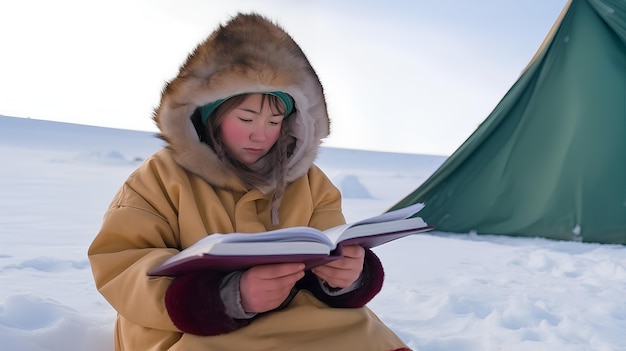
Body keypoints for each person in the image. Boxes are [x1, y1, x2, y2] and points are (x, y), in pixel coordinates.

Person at [88, 13, 411, 351]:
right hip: (194, 328)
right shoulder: (160, 176)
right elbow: (121, 264)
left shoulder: (311, 182)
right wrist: (228, 296)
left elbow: (329, 244)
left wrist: (349, 276)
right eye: (246, 118)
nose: (262, 134)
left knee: (364, 335)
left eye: (274, 120)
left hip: (302, 319)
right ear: (210, 113)